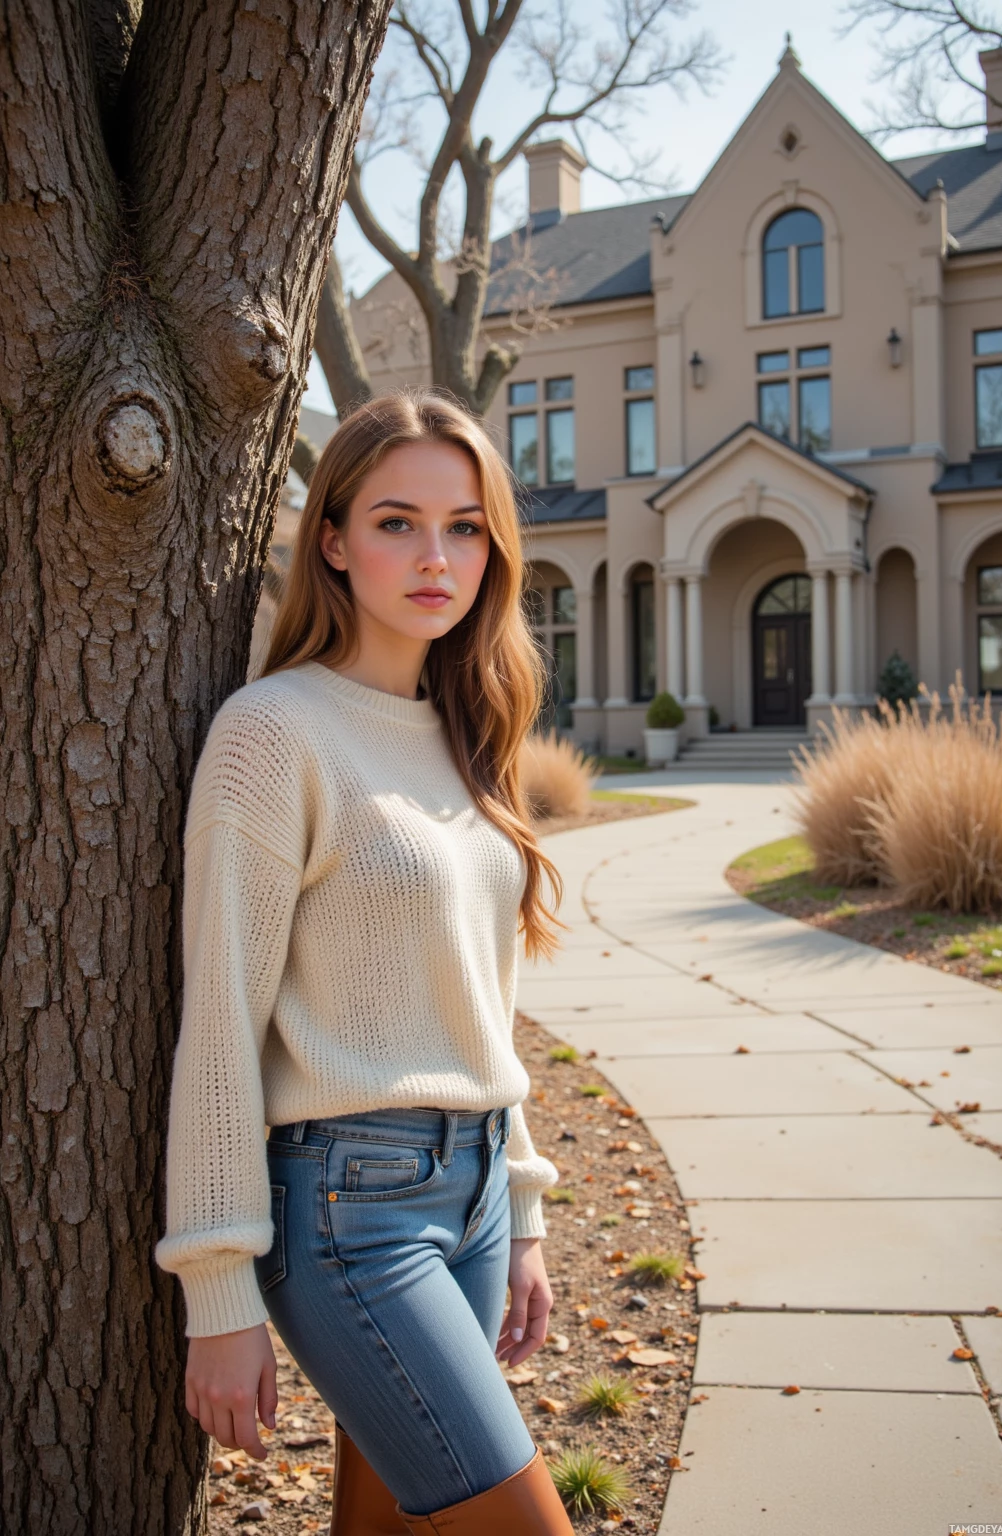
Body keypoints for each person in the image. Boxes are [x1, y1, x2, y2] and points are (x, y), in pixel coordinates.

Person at [155, 390, 578, 1533]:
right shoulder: (271, 732)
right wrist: (217, 1294)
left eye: (466, 526)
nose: (436, 556)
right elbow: (219, 1030)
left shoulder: (468, 732)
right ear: (332, 542)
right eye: (396, 522)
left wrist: (524, 1210)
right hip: (349, 1211)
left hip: (478, 1190)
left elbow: (481, 1003)